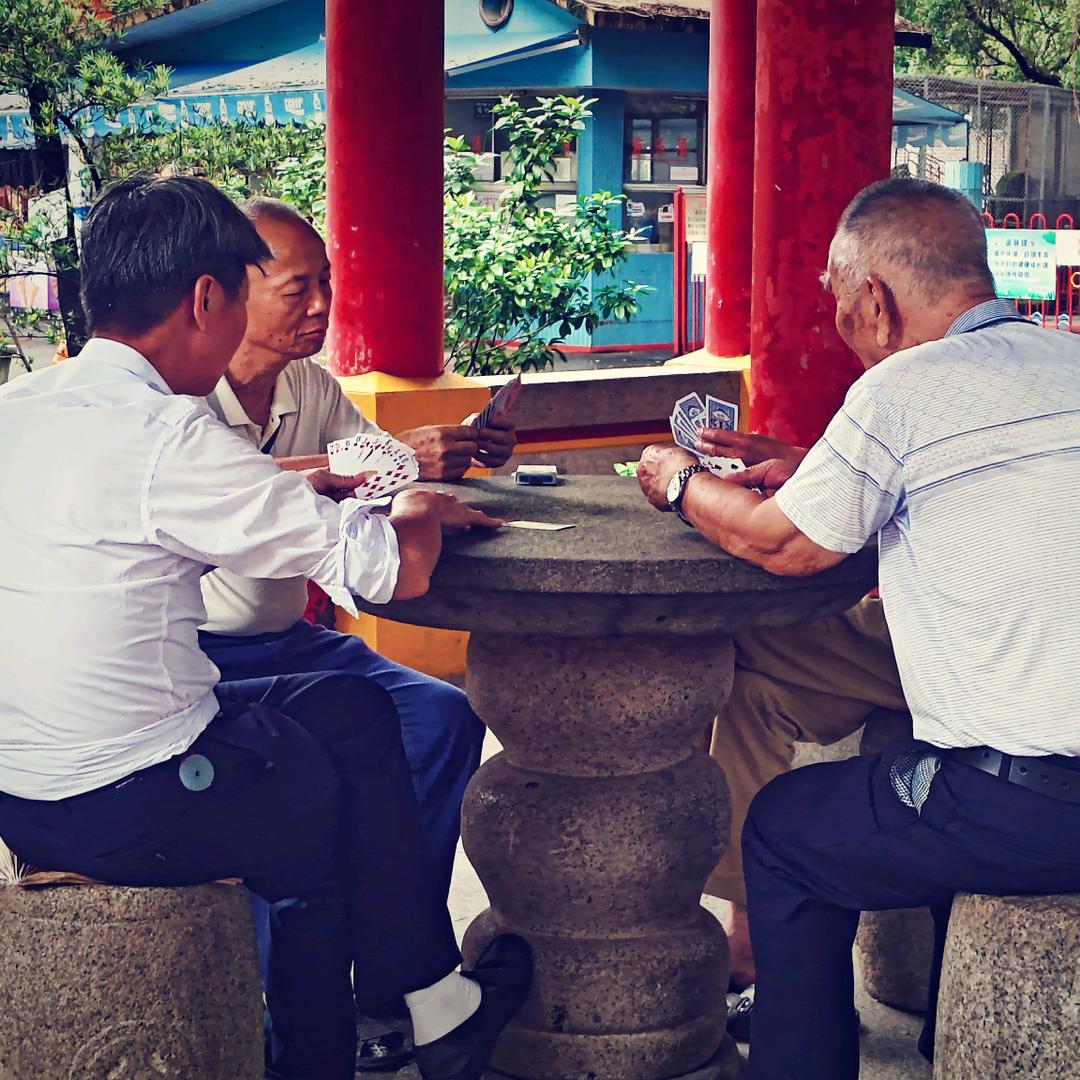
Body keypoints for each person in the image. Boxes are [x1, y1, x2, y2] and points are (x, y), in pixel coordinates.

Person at [0, 175, 532, 1080]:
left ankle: (432, 1004)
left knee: (352, 710)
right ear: (207, 298)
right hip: (124, 797)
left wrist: (311, 486)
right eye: (252, 289)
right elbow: (389, 572)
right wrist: (420, 509)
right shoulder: (170, 433)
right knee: (317, 820)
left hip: (22, 790)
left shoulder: (22, 409)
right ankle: (386, 1025)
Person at [636, 177, 1080, 1078]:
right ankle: (939, 1024)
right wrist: (809, 465)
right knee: (824, 714)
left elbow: (784, 543)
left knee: (792, 829)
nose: (841, 325)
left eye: (839, 303)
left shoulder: (907, 387)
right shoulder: (1066, 357)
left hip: (1038, 805)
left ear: (874, 300)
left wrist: (676, 479)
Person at [195, 198, 516, 1060]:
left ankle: (391, 973)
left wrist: (438, 465)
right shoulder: (181, 397)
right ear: (226, 290)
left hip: (293, 641)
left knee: (442, 719)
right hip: (195, 657)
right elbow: (271, 486)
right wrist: (386, 469)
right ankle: (296, 996)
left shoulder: (310, 387)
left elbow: (377, 475)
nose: (321, 307)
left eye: (327, 285)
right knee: (297, 777)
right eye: (298, 287)